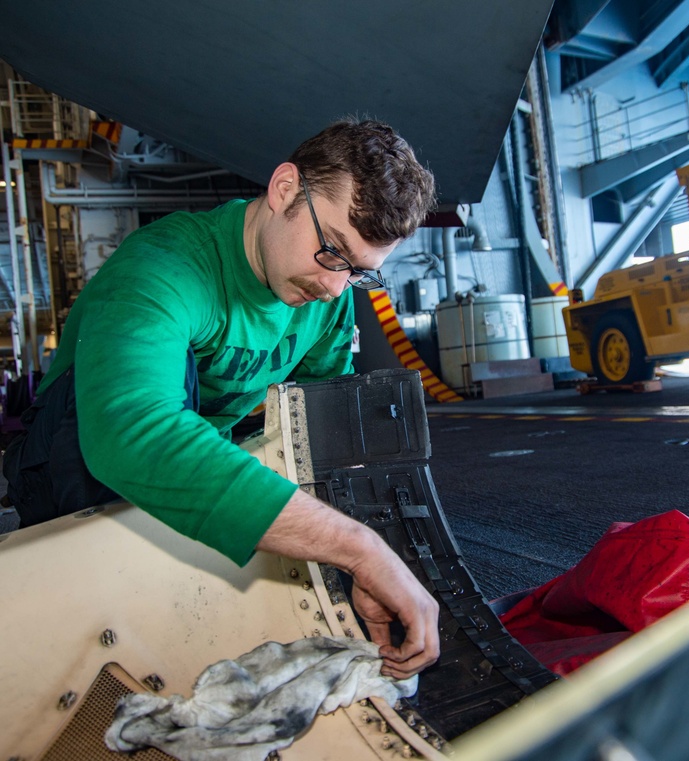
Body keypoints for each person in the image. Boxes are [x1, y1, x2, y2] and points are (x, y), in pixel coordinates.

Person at [2, 117, 440, 678]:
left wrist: (352, 560)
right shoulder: (163, 266)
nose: (334, 286)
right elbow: (130, 433)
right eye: (331, 251)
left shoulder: (327, 299)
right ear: (285, 189)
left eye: (359, 272)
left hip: (187, 454)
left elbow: (316, 436)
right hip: (71, 461)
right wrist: (358, 547)